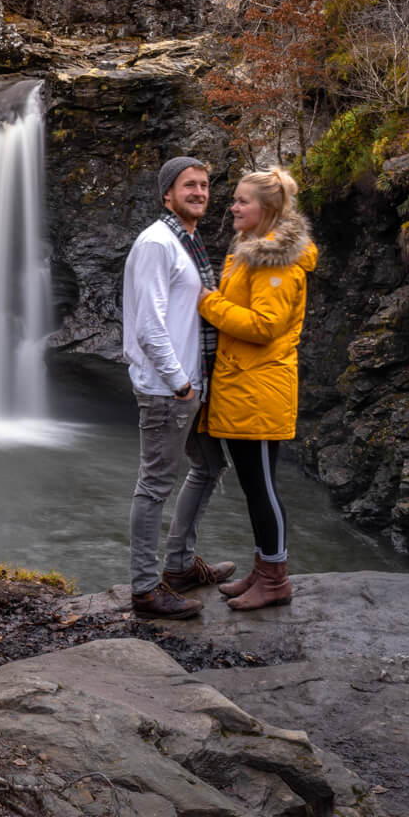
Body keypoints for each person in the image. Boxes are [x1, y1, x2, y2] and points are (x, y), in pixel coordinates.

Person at [197, 166, 318, 611]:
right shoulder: (253, 253)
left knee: (263, 486)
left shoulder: (276, 265)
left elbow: (265, 327)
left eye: (242, 200)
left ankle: (275, 579)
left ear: (265, 210)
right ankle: (263, 568)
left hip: (260, 389)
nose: (232, 206)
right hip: (244, 387)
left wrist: (208, 302)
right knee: (254, 485)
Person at [122, 156, 236, 620]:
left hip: (192, 384)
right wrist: (180, 384)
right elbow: (149, 326)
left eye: (205, 185)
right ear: (167, 193)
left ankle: (181, 565)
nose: (200, 192)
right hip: (169, 388)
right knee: (154, 485)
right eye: (190, 185)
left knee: (209, 465)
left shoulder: (187, 241)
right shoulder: (157, 243)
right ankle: (146, 589)